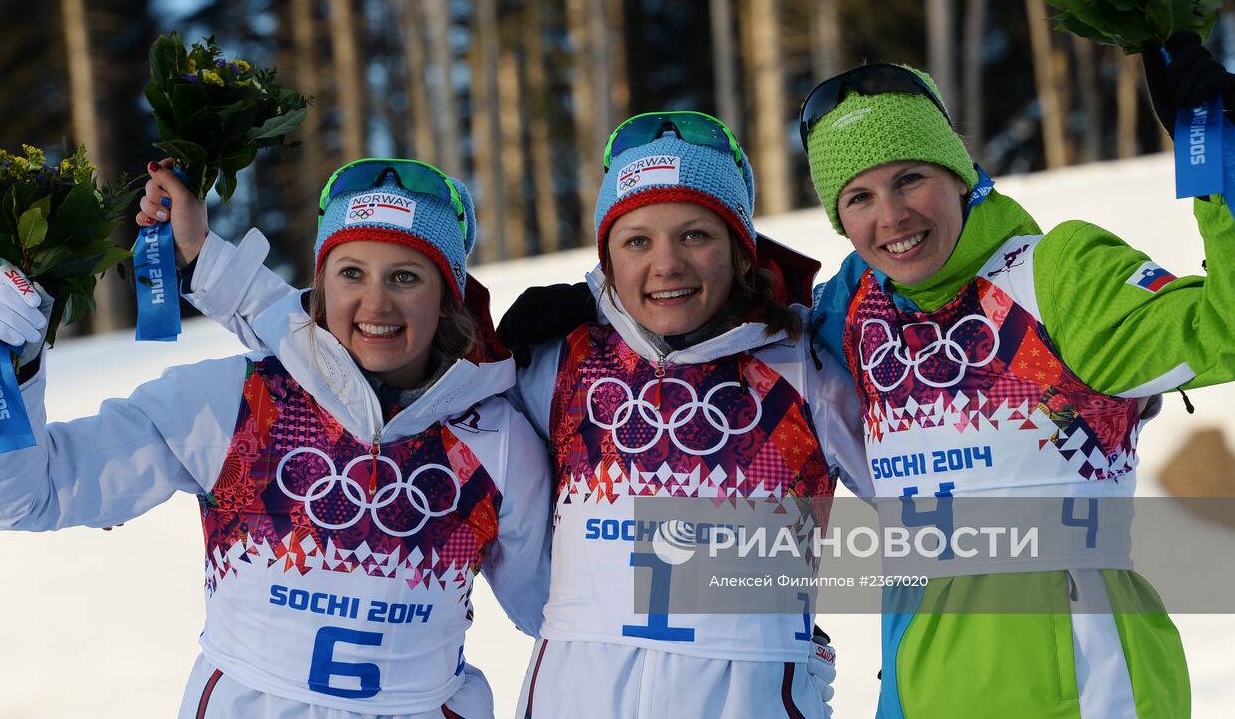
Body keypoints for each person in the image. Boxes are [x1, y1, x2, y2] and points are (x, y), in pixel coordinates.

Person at [153, 113, 868, 718]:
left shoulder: (805, 367)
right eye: (637, 239)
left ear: (741, 247)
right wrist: (208, 266)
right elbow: (360, 365)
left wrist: (780, 614)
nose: (666, 265)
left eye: (696, 234)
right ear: (607, 256)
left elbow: (947, 529)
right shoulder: (558, 359)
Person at [799, 35, 1235, 719]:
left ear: (960, 172)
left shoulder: (1057, 278)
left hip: (1089, 687)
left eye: (910, 178)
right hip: (920, 694)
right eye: (858, 197)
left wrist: (1214, 152)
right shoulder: (854, 310)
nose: (891, 217)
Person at [0, 158, 552, 718]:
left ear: (448, 295)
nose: (376, 303)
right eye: (351, 273)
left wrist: (646, 460)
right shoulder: (233, 404)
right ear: (320, 288)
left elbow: (561, 609)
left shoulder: (496, 441)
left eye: (405, 276)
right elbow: (26, 496)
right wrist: (9, 359)